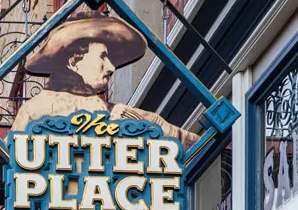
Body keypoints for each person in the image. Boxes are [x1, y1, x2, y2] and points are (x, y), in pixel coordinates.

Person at [12, 9, 197, 150]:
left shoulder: (121, 113)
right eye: (102, 56)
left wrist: (220, 141)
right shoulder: (36, 110)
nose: (111, 67)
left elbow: (183, 140)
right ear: (74, 61)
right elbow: (11, 154)